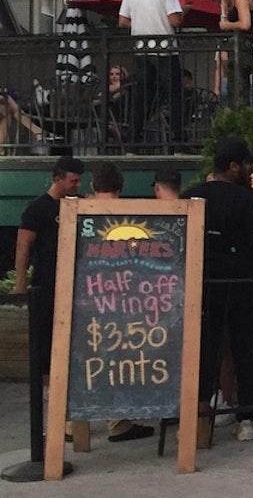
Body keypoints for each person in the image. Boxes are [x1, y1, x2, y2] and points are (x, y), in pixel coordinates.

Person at [182, 137, 253, 442]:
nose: (249, 170)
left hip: (201, 285)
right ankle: (246, 418)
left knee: (204, 349)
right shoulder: (247, 200)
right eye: (246, 164)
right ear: (233, 166)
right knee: (245, 349)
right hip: (242, 285)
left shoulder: (192, 196)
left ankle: (199, 414)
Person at [82, 163, 156, 442]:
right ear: (120, 187)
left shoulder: (78, 212)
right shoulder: (131, 213)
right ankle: (118, 419)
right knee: (118, 358)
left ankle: (72, 423)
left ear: (92, 185)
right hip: (124, 297)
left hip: (86, 295)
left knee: (84, 357)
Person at [14, 157, 85, 396]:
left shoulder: (78, 205)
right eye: (72, 181)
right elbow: (23, 244)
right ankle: (49, 390)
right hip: (46, 280)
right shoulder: (38, 208)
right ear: (58, 178)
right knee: (44, 336)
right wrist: (20, 281)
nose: (76, 185)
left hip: (74, 281)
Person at [119, 0, 185, 144]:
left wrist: (140, 23)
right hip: (165, 50)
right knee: (174, 95)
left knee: (142, 96)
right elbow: (174, 21)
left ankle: (134, 138)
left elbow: (123, 21)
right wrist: (183, 12)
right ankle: (177, 139)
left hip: (141, 49)